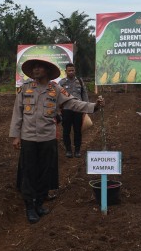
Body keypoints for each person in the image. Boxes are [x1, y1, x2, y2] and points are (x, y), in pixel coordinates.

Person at [10, 58, 103, 224]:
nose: (36, 70)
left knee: (45, 171)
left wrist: (93, 106)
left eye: (39, 67)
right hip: (28, 137)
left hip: (47, 137)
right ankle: (29, 207)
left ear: (47, 71)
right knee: (29, 172)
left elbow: (73, 103)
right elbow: (18, 113)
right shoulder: (25, 88)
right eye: (34, 68)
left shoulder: (56, 89)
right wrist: (15, 136)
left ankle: (39, 203)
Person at [59, 63, 87, 158]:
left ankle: (77, 150)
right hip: (66, 110)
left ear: (75, 71)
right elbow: (57, 96)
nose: (71, 72)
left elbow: (84, 94)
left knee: (77, 131)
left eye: (73, 70)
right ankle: (68, 150)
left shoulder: (80, 81)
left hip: (78, 110)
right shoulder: (62, 83)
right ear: (65, 71)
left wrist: (86, 108)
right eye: (69, 70)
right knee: (66, 131)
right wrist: (58, 109)